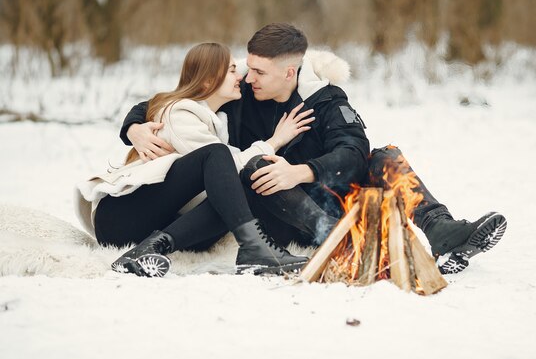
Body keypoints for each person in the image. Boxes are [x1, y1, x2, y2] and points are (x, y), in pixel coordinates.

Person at [121, 23, 507, 274]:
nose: (246, 77)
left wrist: (302, 171)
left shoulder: (325, 99)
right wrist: (135, 127)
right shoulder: (239, 92)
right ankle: (344, 245)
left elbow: (355, 151)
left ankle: (443, 234)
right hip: (272, 205)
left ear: (290, 72)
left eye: (258, 72)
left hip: (330, 196)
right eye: (246, 68)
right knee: (258, 166)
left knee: (385, 156)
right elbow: (181, 94)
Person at [75, 42, 316, 277]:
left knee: (240, 191)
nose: (241, 77)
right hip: (122, 218)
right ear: (209, 80)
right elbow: (226, 170)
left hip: (155, 225)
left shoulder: (216, 121)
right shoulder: (179, 113)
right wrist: (275, 141)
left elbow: (227, 184)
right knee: (219, 158)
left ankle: (153, 249)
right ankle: (254, 247)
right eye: (232, 70)